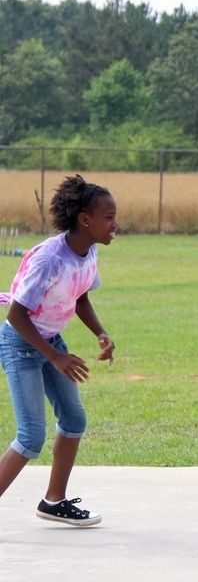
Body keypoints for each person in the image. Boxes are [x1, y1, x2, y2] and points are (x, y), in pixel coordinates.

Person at [0, 174, 118, 526]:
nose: (116, 224)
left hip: (51, 343)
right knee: (31, 435)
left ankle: (54, 501)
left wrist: (100, 333)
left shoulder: (88, 250)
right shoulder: (50, 258)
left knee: (74, 420)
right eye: (109, 218)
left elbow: (80, 296)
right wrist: (55, 357)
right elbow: (16, 314)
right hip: (21, 344)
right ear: (85, 220)